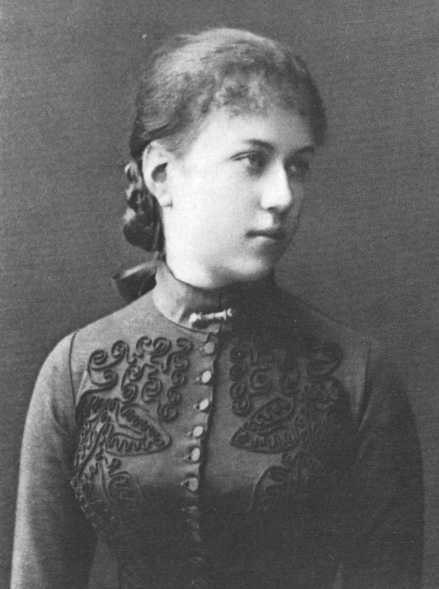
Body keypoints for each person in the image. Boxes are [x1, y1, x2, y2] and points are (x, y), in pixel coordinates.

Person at [11, 27, 423, 589]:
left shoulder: (357, 375)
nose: (283, 196)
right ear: (161, 173)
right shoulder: (78, 367)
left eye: (298, 166)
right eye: (252, 160)